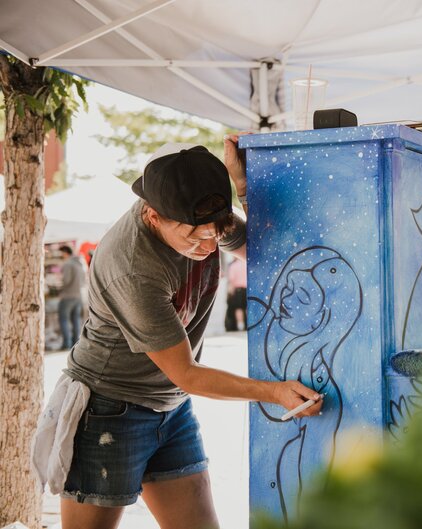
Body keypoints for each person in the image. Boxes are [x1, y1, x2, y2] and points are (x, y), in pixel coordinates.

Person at [48, 138, 323, 529]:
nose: (210, 244)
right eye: (194, 236)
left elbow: (264, 251)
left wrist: (244, 188)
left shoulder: (201, 218)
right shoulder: (133, 268)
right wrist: (273, 391)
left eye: (216, 232)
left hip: (170, 406)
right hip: (109, 408)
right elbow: (188, 374)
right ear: (152, 216)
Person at [57, 245, 85, 350]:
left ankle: (66, 344)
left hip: (68, 295)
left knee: (64, 320)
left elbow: (66, 280)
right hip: (78, 296)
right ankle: (76, 343)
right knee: (76, 320)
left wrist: (58, 286)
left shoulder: (68, 264)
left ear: (65, 252)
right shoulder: (79, 263)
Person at [224, 255, 247, 331]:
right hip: (247, 289)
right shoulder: (246, 264)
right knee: (247, 307)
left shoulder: (234, 266)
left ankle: (240, 325)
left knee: (239, 308)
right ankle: (248, 324)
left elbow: (231, 280)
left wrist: (230, 292)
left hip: (238, 290)